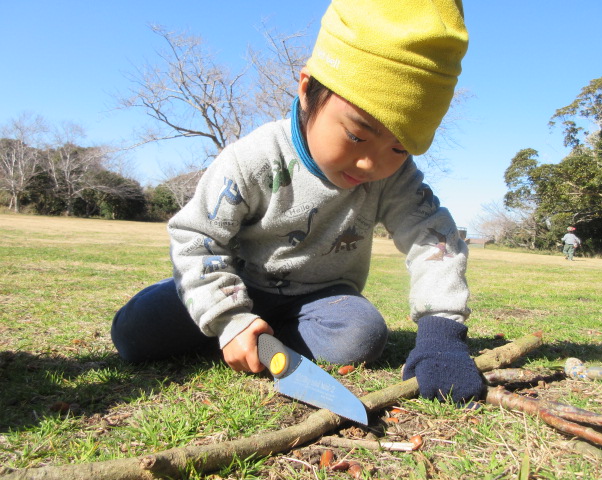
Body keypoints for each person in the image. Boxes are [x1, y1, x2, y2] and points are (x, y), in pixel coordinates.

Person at [111, 0, 484, 405]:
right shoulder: (252, 158)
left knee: (361, 335)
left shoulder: (394, 178)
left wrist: (442, 334)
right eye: (358, 135)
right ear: (307, 89)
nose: (370, 163)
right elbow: (196, 234)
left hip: (320, 300)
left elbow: (433, 238)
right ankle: (229, 328)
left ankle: (258, 340)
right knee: (134, 335)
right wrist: (228, 317)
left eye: (398, 148)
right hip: (238, 283)